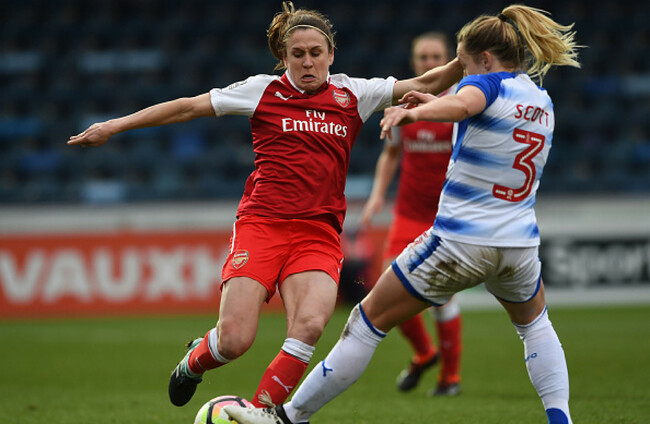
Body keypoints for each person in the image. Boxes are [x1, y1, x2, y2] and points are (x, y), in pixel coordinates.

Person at [67, 1, 463, 411]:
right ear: (284, 57)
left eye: (316, 53)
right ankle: (193, 362)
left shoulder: (353, 92)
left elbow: (430, 81)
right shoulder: (262, 90)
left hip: (318, 233)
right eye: (297, 54)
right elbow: (187, 106)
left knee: (309, 327)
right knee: (235, 340)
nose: (307, 62)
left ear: (331, 55)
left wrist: (466, 57)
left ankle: (259, 414)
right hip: (262, 225)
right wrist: (114, 125)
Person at [225, 4, 581, 424]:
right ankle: (560, 418)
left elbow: (464, 104)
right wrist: (433, 101)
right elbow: (477, 115)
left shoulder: (484, 83)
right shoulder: (540, 99)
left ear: (485, 60)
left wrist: (414, 112)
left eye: (464, 65)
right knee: (536, 326)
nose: (463, 74)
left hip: (462, 241)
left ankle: (288, 417)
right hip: (519, 244)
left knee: (366, 321)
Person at [360, 31, 462, 396]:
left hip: (447, 215)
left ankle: (450, 378)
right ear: (414, 63)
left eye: (436, 57)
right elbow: (390, 154)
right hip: (408, 213)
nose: (429, 63)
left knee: (442, 297)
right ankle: (424, 353)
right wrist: (377, 195)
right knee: (388, 289)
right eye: (423, 58)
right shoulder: (405, 104)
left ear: (448, 61)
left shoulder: (462, 104)